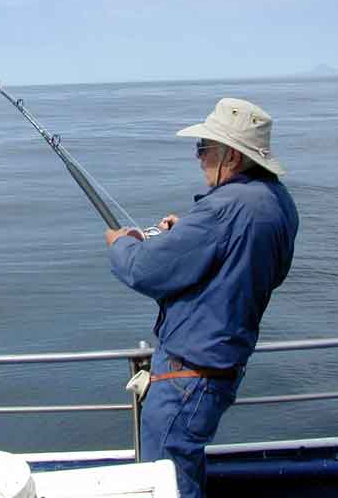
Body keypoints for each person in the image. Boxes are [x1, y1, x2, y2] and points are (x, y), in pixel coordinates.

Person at [105, 98, 299, 498]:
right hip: (224, 365)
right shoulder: (278, 202)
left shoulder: (224, 210)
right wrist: (189, 233)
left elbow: (143, 270)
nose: (198, 158)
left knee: (164, 474)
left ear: (230, 155)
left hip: (190, 373)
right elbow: (256, 264)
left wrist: (120, 244)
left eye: (203, 148)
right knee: (184, 462)